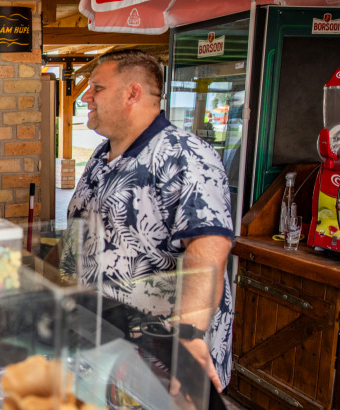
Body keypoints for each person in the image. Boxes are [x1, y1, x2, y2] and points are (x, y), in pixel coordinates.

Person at [66, 50, 234, 392]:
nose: (86, 97)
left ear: (132, 94)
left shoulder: (185, 155)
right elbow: (79, 236)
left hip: (162, 363)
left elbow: (208, 248)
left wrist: (187, 335)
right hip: (105, 351)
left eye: (96, 88)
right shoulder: (101, 156)